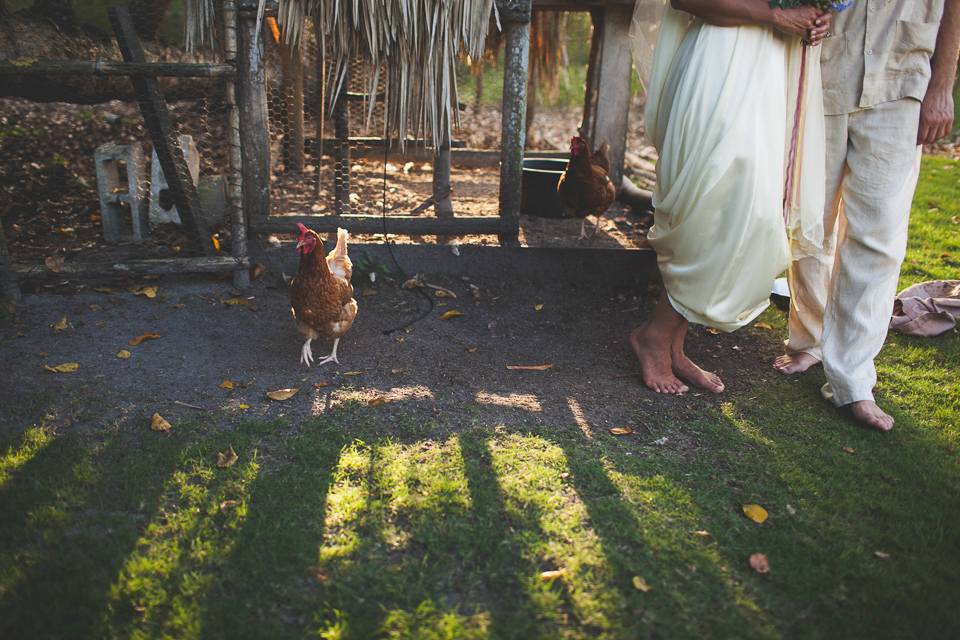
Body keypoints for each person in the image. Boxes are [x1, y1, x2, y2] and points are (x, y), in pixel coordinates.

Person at [629, 0, 832, 394]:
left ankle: (673, 344)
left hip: (774, 65)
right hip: (722, 63)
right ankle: (654, 336)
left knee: (734, 210)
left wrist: (816, 17)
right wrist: (776, 15)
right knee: (715, 206)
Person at [774, 0, 960, 430]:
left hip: (902, 74)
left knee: (877, 234)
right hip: (822, 69)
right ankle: (810, 338)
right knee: (809, 222)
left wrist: (942, 84)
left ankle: (853, 378)